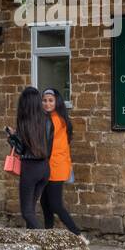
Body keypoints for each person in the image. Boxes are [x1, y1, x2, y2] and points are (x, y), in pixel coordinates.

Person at [6, 86, 54, 230]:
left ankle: (46, 241)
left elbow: (20, 150)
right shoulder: (48, 120)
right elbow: (49, 147)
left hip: (30, 168)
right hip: (45, 168)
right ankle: (33, 243)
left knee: (27, 212)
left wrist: (12, 137)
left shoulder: (24, 122)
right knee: (31, 209)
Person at [39, 88, 83, 237]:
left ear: (57, 102)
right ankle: (49, 235)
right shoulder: (57, 118)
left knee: (56, 205)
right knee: (45, 204)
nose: (47, 103)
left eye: (50, 100)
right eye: (44, 100)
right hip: (52, 165)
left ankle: (78, 235)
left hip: (55, 167)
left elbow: (45, 144)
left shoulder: (53, 120)